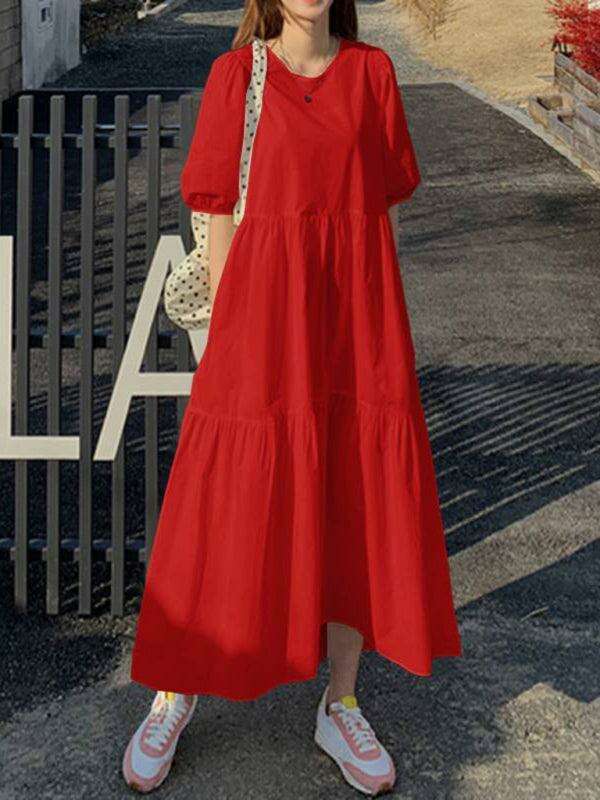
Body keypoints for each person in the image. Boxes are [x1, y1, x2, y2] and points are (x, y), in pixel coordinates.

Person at [122, 0, 462, 795]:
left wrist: (386, 334)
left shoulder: (373, 73)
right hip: (260, 322)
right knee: (221, 498)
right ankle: (175, 689)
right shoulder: (235, 76)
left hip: (356, 323)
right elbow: (215, 215)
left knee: (355, 496)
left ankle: (341, 702)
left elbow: (382, 213)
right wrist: (226, 336)